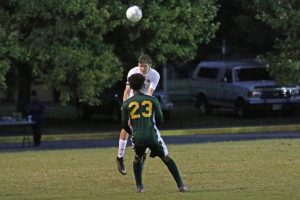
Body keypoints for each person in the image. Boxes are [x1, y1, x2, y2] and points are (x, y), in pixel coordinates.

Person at [121, 73, 187, 193]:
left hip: (138, 137)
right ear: (143, 85)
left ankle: (139, 187)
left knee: (138, 159)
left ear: (131, 87)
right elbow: (161, 119)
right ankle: (181, 185)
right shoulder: (153, 99)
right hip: (152, 135)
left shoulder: (126, 104)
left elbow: (124, 125)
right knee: (166, 157)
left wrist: (134, 132)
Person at [116, 54, 160, 175]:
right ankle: (120, 157)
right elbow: (127, 91)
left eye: (144, 67)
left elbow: (150, 93)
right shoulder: (133, 72)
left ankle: (144, 153)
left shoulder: (154, 75)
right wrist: (125, 106)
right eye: (140, 66)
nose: (141, 69)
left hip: (145, 102)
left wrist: (144, 107)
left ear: (149, 66)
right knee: (127, 125)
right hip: (132, 100)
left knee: (148, 127)